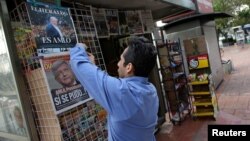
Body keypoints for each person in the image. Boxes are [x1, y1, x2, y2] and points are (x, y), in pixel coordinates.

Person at [70, 36, 159, 141]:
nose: (118, 64)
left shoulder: (123, 93)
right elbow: (114, 87)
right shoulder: (150, 90)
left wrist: (79, 47)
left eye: (121, 60)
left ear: (129, 67)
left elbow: (80, 66)